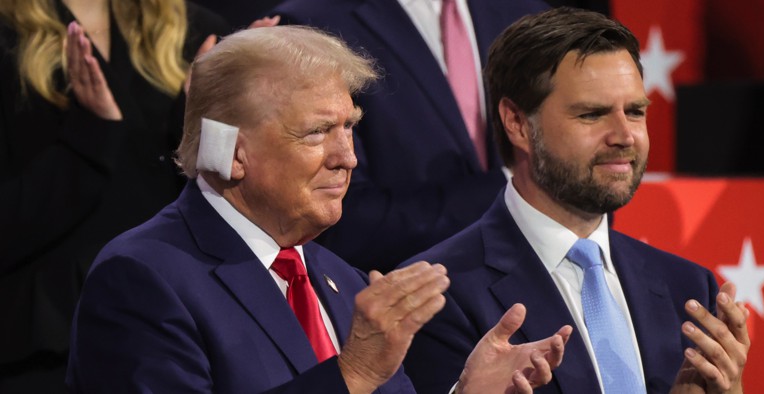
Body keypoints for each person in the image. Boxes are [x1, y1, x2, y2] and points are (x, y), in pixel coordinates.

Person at [66, 25, 572, 393]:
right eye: (316, 132)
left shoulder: (342, 280)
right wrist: (352, 373)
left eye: (349, 127)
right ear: (233, 152)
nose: (347, 157)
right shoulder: (142, 278)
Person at [400, 8, 750, 394]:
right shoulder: (435, 296)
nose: (624, 135)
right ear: (517, 123)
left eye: (635, 112)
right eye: (592, 114)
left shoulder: (688, 287)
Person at [0, 0, 232, 391]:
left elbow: (226, 189)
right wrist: (89, 137)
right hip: (50, 342)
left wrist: (205, 123)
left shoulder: (193, 29)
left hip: (178, 322)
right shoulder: (9, 38)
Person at [268, 0, 550, 272]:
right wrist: (513, 186)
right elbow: (344, 220)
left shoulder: (528, 11)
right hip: (402, 298)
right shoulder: (311, 23)